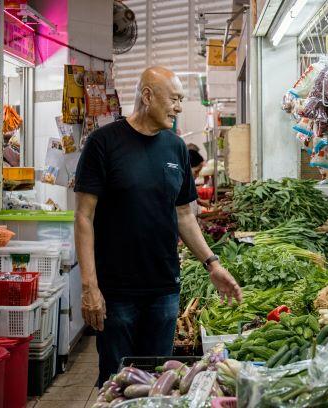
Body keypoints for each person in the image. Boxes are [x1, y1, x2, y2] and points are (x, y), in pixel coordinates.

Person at [74, 66, 242, 386]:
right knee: (116, 384)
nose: (179, 107)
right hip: (116, 292)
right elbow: (84, 216)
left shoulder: (175, 148)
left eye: (181, 100)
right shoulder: (103, 144)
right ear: (148, 97)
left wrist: (212, 264)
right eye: (175, 99)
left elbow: (184, 216)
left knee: (159, 383)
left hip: (164, 289)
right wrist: (89, 286)